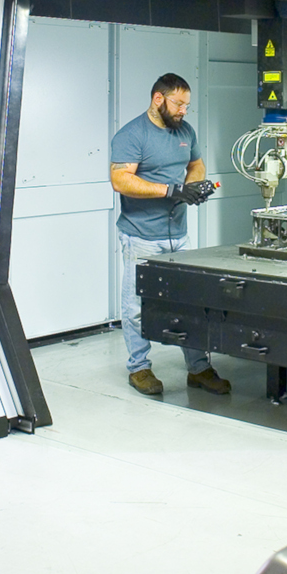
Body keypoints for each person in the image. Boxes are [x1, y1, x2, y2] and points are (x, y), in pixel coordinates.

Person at [109, 73, 225, 396]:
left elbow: (196, 164)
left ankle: (199, 368)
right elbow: (121, 180)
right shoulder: (132, 134)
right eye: (178, 104)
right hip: (141, 236)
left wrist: (193, 186)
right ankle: (139, 368)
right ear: (158, 99)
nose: (183, 111)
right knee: (136, 305)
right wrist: (171, 190)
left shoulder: (185, 131)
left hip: (178, 235)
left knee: (190, 301)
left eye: (187, 105)